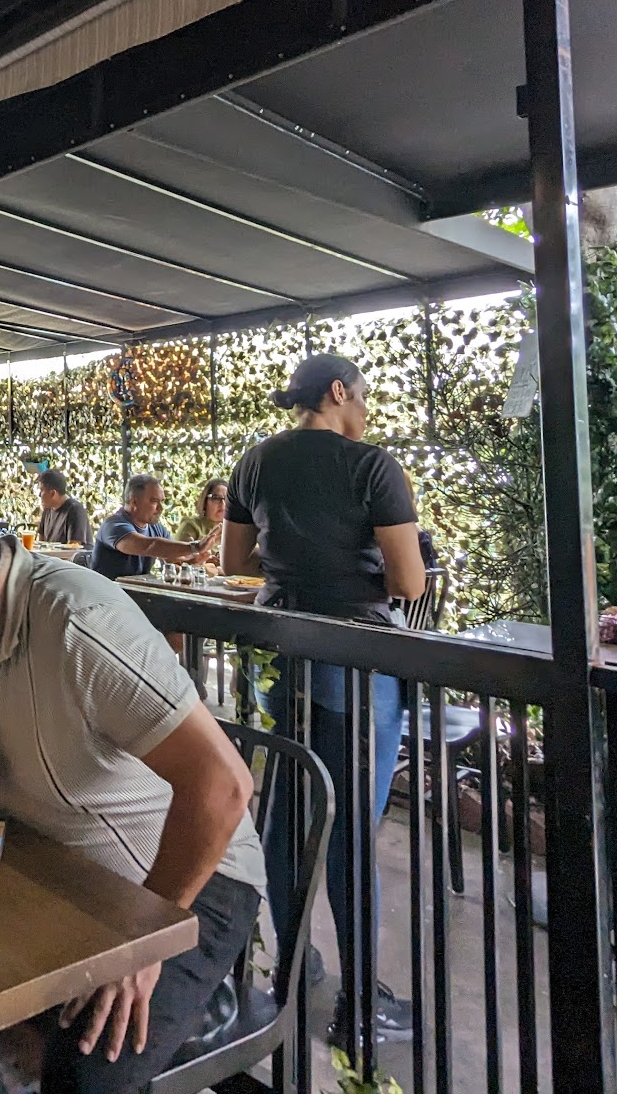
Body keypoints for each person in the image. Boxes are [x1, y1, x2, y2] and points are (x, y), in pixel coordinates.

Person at [0, 496, 265, 1094]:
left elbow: (223, 786)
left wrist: (145, 939)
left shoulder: (80, 624)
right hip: (47, 863)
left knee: (84, 1073)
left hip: (184, 879)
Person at [221, 353, 426, 1042]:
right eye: (362, 396)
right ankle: (360, 1006)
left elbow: (234, 562)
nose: (366, 410)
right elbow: (409, 582)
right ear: (339, 392)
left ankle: (292, 962)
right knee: (349, 829)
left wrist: (296, 559)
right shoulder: (372, 467)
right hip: (353, 662)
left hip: (276, 658)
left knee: (285, 815)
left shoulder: (255, 462)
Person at [91, 474, 210, 581]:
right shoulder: (114, 525)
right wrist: (195, 547)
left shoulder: (156, 528)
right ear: (134, 502)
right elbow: (148, 546)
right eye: (154, 501)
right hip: (106, 596)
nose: (161, 508)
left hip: (135, 594)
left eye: (162, 501)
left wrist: (192, 560)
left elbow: (171, 558)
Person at [173, 478, 229, 570]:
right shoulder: (191, 525)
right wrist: (201, 560)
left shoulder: (234, 528)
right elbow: (177, 563)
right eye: (216, 498)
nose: (222, 503)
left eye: (227, 499)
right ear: (205, 501)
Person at [36, 468, 92, 547]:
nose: (39, 495)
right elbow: (41, 542)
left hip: (71, 555)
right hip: (50, 555)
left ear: (53, 493)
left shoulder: (75, 510)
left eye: (41, 490)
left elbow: (73, 547)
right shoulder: (48, 508)